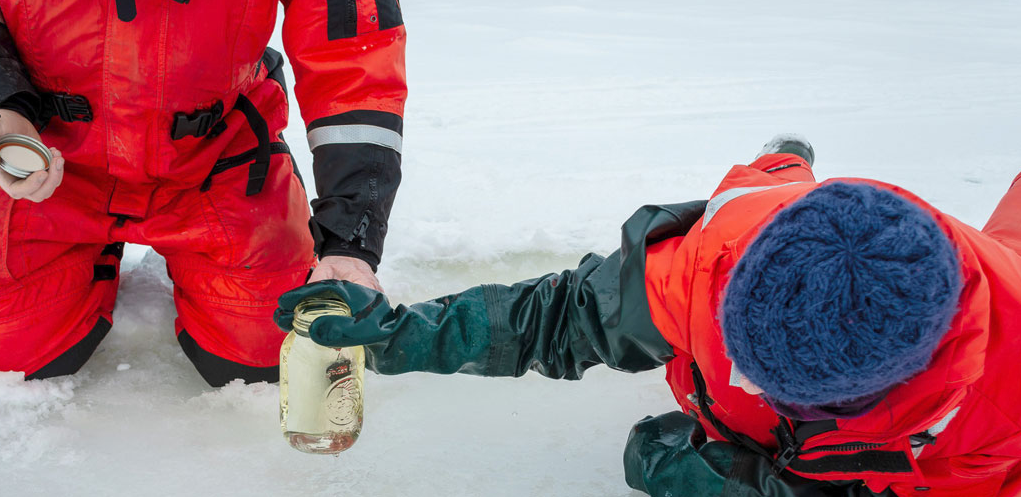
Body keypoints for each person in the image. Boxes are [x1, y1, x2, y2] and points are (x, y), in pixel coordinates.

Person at [276, 136, 1021, 496]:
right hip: (769, 208)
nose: (741, 381)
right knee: (763, 182)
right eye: (738, 354)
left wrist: (770, 488)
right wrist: (404, 332)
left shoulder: (997, 415)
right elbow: (560, 317)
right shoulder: (715, 264)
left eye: (771, 385)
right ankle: (783, 158)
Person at [0, 0, 407, 386]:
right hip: (41, 152)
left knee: (269, 359)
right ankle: (80, 260)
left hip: (214, 156)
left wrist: (351, 240)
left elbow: (353, 59)